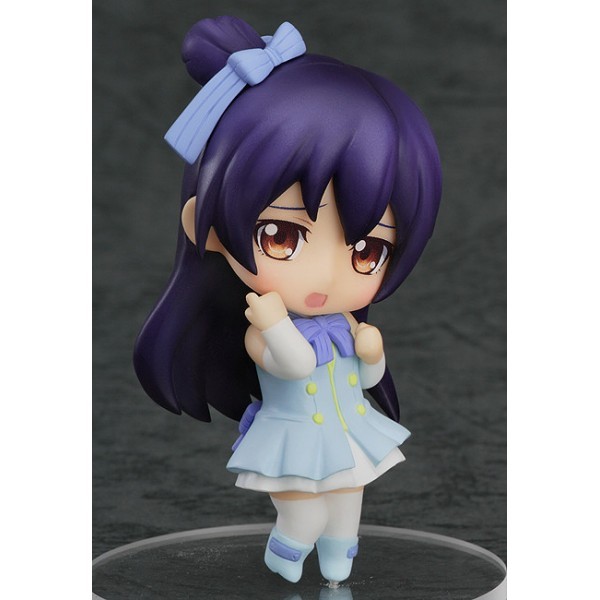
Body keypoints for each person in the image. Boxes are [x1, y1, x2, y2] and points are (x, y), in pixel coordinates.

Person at [134, 16, 442, 585]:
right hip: (294, 442)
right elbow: (296, 365)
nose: (326, 273)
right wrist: (276, 325)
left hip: (346, 434)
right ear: (209, 229)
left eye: (368, 250)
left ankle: (338, 565)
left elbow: (367, 379)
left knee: (347, 505)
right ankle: (287, 552)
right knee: (305, 513)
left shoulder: (344, 320)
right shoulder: (262, 326)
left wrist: (372, 353)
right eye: (283, 237)